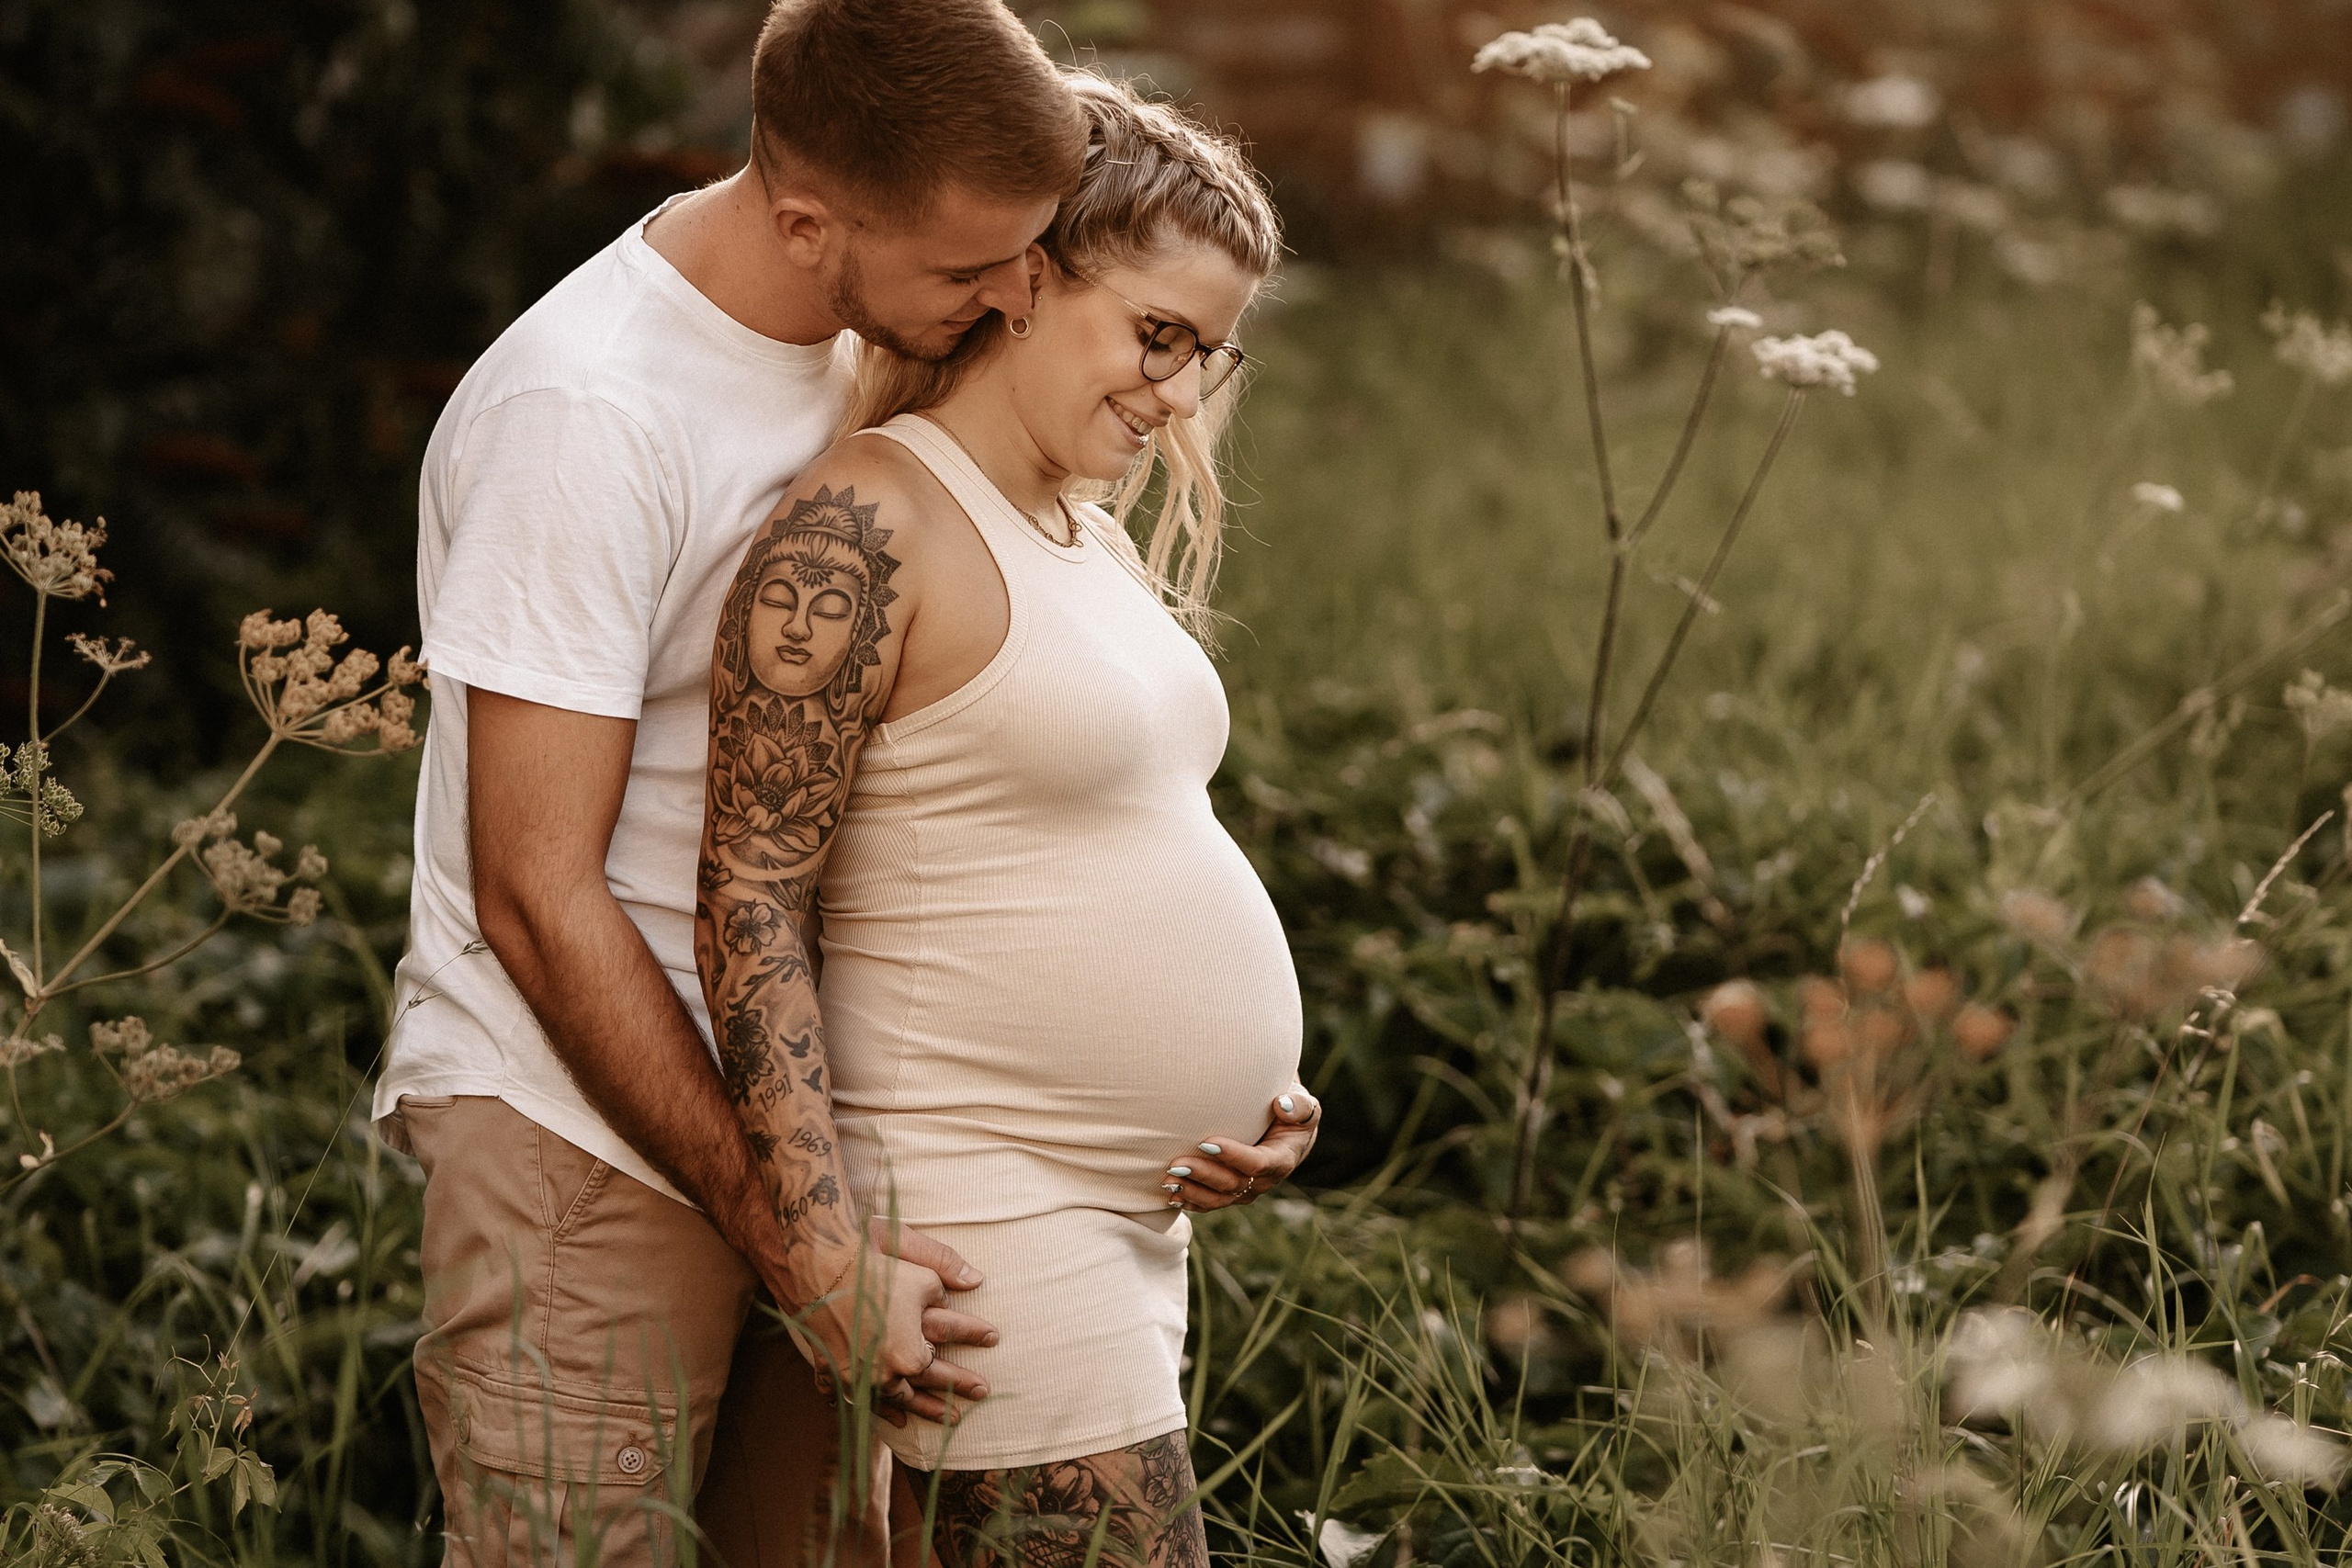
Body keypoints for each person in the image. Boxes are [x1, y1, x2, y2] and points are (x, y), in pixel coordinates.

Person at [371, 4, 1088, 1564]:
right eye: (973, 269)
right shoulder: (591, 414)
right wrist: (797, 1239)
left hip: (811, 1140)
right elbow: (535, 892)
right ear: (805, 218)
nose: (1015, 298)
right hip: (595, 1146)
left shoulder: (876, 340)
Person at [697, 73, 1320, 1567]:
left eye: (1206, 355)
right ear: (1028, 276)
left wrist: (1252, 1099)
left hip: (1128, 1225)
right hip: (987, 1219)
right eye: (1155, 334)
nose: (1179, 392)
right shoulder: (869, 522)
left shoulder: (1085, 535)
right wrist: (826, 1247)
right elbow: (753, 893)